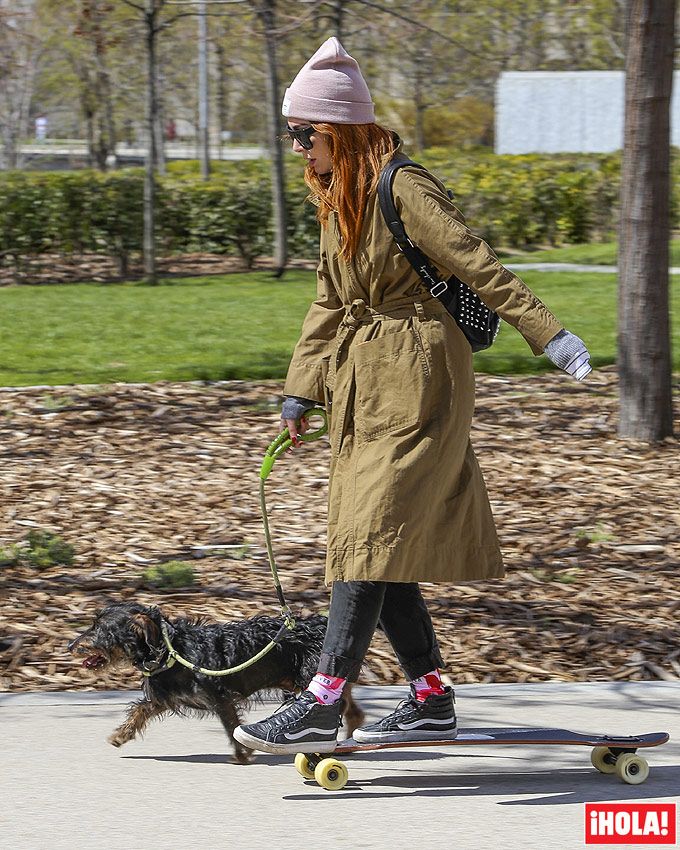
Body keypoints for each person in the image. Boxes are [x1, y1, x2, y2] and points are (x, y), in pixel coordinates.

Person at [234, 38, 591, 756]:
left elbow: (475, 261)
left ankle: (323, 698)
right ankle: (430, 696)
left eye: (303, 134)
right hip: (363, 383)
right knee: (376, 535)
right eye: (293, 135)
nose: (296, 148)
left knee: (366, 533)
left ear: (337, 130)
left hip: (423, 376)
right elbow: (329, 300)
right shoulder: (339, 199)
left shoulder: (404, 187)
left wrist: (549, 334)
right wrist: (299, 392)